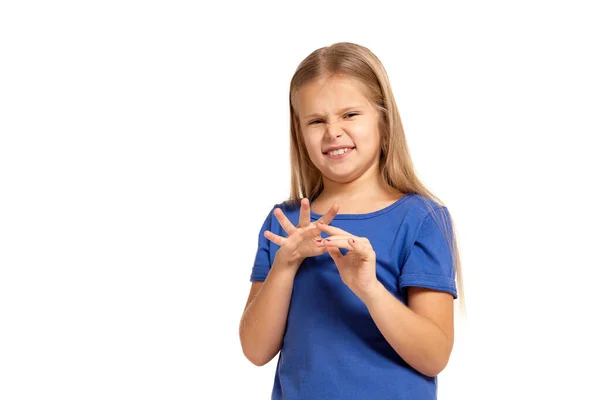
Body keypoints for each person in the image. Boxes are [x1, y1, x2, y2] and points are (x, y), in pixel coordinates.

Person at [238, 41, 464, 400]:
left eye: (349, 115)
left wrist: (369, 288)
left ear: (383, 120)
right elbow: (255, 350)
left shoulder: (422, 218)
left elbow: (434, 355)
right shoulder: (286, 222)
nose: (333, 132)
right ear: (300, 133)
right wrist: (285, 265)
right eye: (316, 120)